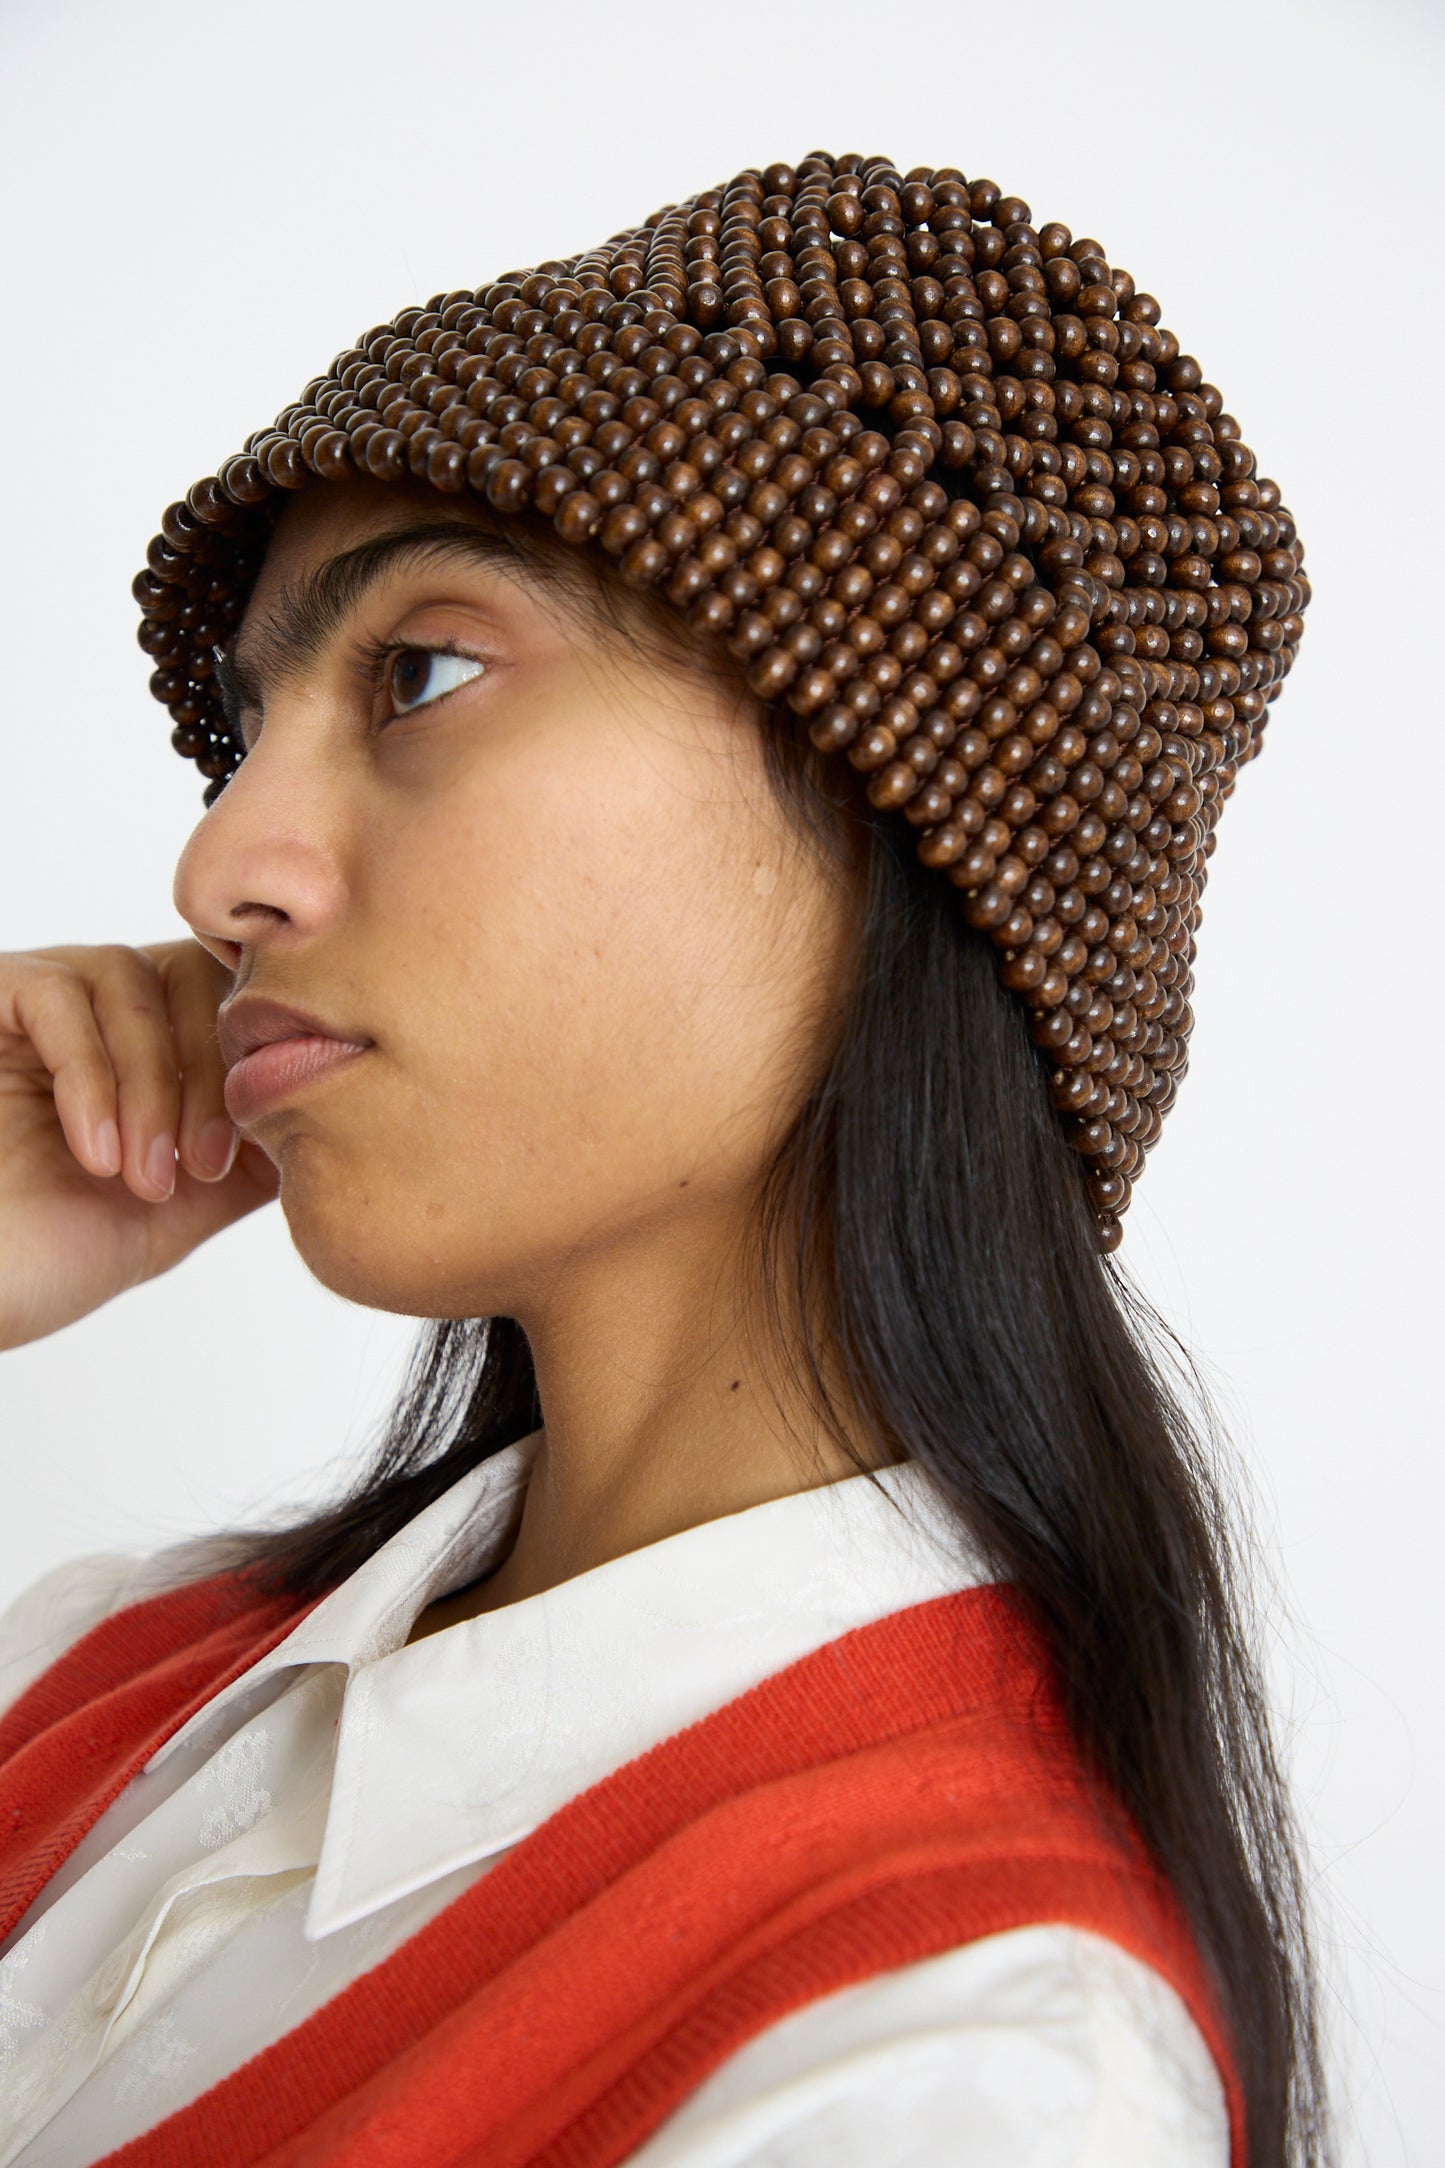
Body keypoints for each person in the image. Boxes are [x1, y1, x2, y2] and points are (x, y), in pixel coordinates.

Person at [0, 150, 1330, 2166]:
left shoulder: (948, 2067)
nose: (218, 871)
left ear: (894, 796)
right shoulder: (106, 1667)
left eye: (419, 673)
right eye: (246, 728)